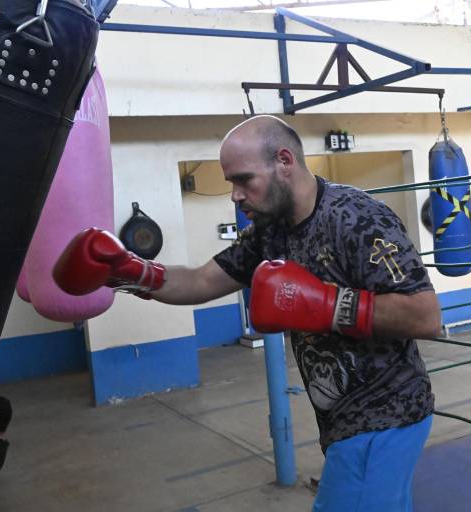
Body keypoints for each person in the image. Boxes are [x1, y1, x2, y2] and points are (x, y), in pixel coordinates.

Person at [54, 115, 441, 511]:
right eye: (231, 183)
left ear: (284, 161)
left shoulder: (357, 218)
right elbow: (202, 280)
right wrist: (133, 273)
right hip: (343, 420)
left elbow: (425, 316)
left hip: (385, 413)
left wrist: (323, 303)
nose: (235, 196)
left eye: (244, 180)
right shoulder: (271, 230)